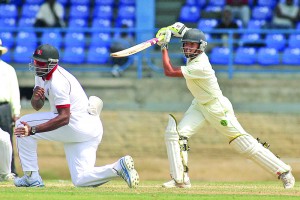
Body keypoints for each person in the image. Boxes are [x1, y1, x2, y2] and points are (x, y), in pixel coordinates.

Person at [155, 22, 295, 189]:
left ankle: (284, 173)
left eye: (191, 45)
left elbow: (169, 71)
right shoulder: (193, 52)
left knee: (242, 143)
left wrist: (164, 46)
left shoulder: (201, 65)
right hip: (199, 104)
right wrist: (173, 29)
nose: (188, 48)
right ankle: (181, 179)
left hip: (217, 107)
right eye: (185, 44)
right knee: (177, 135)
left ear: (200, 47)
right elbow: (188, 32)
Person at [13, 44, 139, 188]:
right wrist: (36, 97)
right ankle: (118, 167)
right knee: (80, 179)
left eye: (40, 63)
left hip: (75, 124)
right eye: (35, 61)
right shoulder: (40, 75)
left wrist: (33, 130)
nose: (37, 65)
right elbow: (37, 106)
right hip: (89, 129)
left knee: (22, 125)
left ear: (52, 63)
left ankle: (31, 177)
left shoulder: (58, 82)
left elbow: (64, 118)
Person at [0, 39, 21, 177]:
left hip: (3, 108)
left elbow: (14, 91)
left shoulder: (8, 69)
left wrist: (16, 112)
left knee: (7, 140)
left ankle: (10, 171)